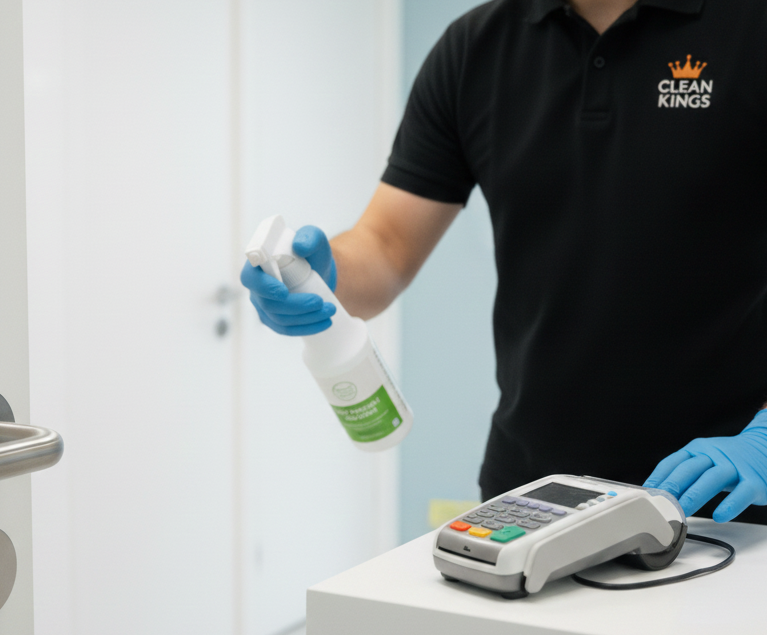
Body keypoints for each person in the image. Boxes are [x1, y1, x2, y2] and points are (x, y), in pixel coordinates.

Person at [241, 0, 767, 525]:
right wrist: (322, 278)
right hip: (536, 491)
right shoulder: (474, 49)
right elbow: (385, 245)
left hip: (727, 498)